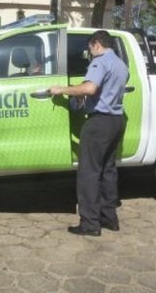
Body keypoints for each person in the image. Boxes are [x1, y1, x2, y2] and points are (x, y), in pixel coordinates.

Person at [49, 30, 129, 236]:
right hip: (116, 121)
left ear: (96, 44)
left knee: (89, 173)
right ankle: (109, 218)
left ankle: (90, 224)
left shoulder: (100, 61)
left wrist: (62, 90)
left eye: (90, 48)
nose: (90, 52)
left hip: (99, 123)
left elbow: (90, 88)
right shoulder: (120, 64)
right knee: (108, 171)